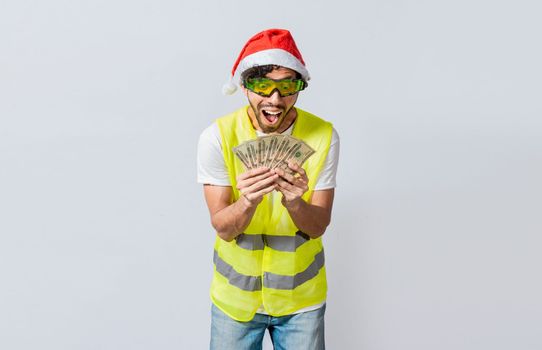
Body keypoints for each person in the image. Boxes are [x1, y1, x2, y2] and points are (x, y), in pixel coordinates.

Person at [197, 28, 340, 350]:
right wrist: (247, 201)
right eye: (263, 86)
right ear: (245, 87)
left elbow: (318, 226)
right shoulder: (217, 137)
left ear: (300, 86)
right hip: (234, 302)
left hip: (301, 302)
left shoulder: (324, 136)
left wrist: (295, 202)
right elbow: (222, 227)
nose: (275, 100)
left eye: (287, 86)